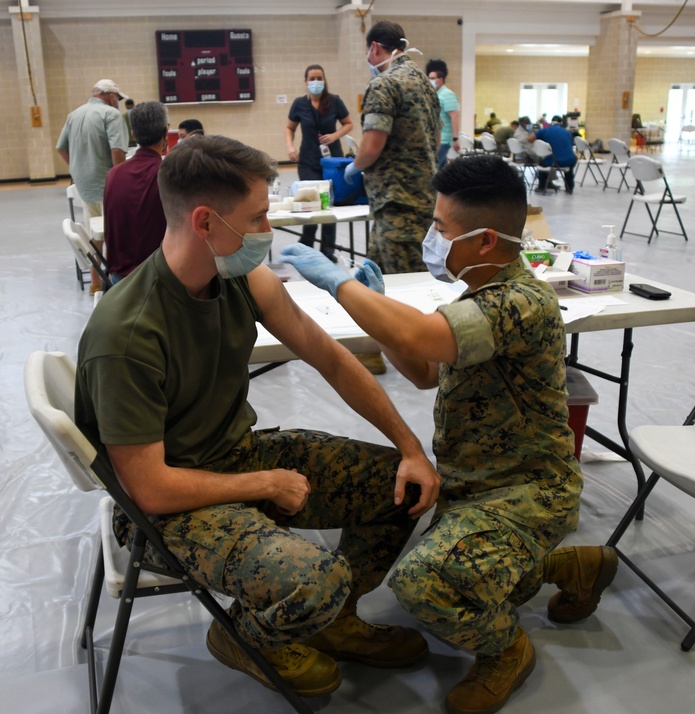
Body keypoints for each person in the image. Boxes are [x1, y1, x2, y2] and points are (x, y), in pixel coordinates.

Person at [74, 134, 441, 697]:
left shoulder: (239, 276)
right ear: (205, 222)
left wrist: (412, 448)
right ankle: (244, 637)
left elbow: (332, 359)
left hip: (234, 457)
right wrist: (264, 482)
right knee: (317, 581)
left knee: (402, 486)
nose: (268, 231)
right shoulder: (127, 335)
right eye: (259, 216)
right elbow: (149, 489)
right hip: (171, 506)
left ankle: (336, 621)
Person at [279, 153, 616, 714]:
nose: (432, 237)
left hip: (526, 493)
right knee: (417, 522)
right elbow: (425, 369)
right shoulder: (479, 294)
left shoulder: (521, 302)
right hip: (474, 485)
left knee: (421, 583)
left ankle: (506, 649)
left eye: (441, 227)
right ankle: (567, 568)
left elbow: (426, 341)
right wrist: (381, 308)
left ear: (485, 241)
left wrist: (340, 284)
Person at [343, 20, 440, 374]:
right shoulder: (424, 84)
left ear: (375, 49)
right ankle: (370, 350)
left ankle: (424, 363)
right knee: (373, 277)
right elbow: (437, 136)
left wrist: (354, 166)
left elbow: (371, 145)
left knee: (405, 285)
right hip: (418, 196)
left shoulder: (384, 85)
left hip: (398, 199)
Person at [56, 78, 129, 293]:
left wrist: (77, 170)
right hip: (108, 185)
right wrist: (123, 179)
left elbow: (61, 148)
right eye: (118, 100)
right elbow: (117, 150)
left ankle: (96, 282)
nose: (118, 104)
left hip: (85, 186)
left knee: (95, 233)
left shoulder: (74, 115)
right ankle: (120, 281)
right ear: (112, 97)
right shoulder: (111, 114)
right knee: (118, 232)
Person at [284, 63, 354, 262]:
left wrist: (335, 135)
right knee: (312, 204)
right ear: (305, 82)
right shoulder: (299, 104)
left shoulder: (334, 101)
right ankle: (306, 246)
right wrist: (290, 147)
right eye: (312, 79)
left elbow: (349, 124)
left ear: (324, 80)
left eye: (319, 78)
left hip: (332, 162)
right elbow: (289, 128)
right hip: (308, 161)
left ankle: (327, 250)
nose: (316, 82)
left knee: (329, 205)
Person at [103, 100, 169, 282]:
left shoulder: (114, 174)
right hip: (155, 280)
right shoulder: (168, 176)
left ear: (133, 134)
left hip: (119, 279)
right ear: (166, 132)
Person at [425, 59, 460, 169]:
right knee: (439, 169)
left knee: (437, 169)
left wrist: (455, 139)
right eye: (429, 78)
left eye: (432, 79)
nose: (430, 81)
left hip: (444, 140)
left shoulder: (448, 95)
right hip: (436, 139)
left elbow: (454, 117)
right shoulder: (436, 94)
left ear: (440, 79)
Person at [530, 115, 577, 193]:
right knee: (569, 167)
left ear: (550, 122)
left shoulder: (544, 130)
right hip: (569, 160)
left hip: (553, 161)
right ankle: (569, 187)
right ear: (561, 123)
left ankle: (542, 186)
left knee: (542, 162)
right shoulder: (568, 133)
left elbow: (530, 139)